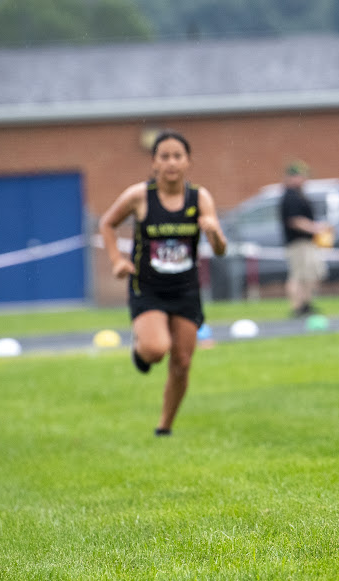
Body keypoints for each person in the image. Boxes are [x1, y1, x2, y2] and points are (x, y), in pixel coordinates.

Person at [99, 130, 227, 437]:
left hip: (185, 289)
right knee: (157, 350)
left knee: (182, 361)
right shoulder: (139, 196)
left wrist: (214, 233)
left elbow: (221, 251)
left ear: (188, 162)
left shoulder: (200, 198)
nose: (171, 162)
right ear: (154, 163)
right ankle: (141, 351)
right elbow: (107, 223)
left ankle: (164, 427)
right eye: (164, 156)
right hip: (149, 288)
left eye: (177, 156)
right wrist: (117, 259)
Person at [279, 160, 328, 317]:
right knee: (298, 275)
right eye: (300, 176)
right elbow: (295, 220)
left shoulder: (299, 194)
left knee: (310, 274)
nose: (304, 179)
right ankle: (297, 306)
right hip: (297, 243)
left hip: (307, 242)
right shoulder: (290, 196)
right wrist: (315, 228)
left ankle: (306, 304)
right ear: (291, 177)